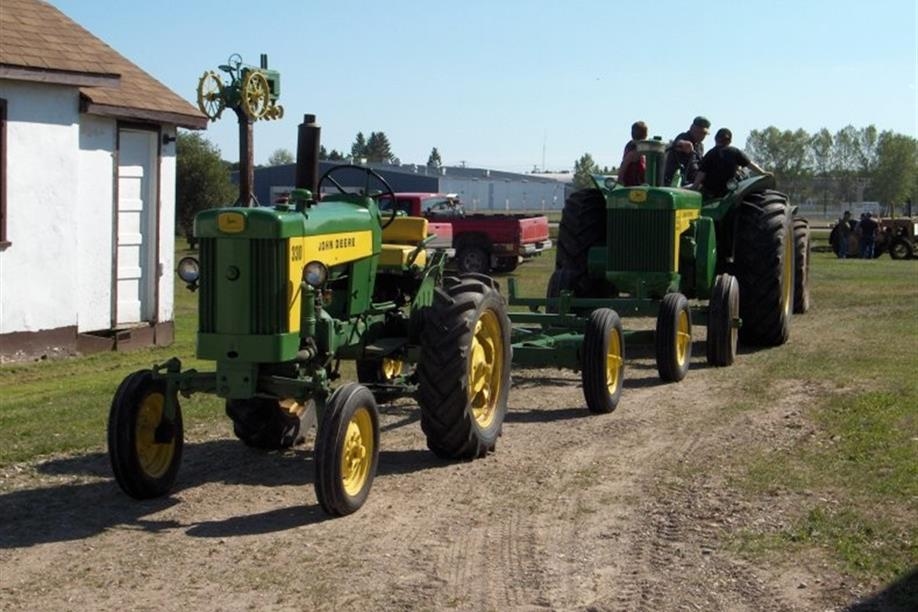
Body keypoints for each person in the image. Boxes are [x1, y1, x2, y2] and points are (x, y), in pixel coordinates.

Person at [690, 128, 766, 197]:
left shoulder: (710, 153)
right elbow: (750, 164)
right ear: (730, 141)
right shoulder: (735, 152)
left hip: (710, 191)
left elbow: (701, 174)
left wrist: (694, 187)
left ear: (715, 139)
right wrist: (763, 173)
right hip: (729, 190)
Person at [663, 116, 710, 186]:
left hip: (692, 181)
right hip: (675, 181)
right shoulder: (684, 137)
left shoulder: (700, 146)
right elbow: (677, 143)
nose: (701, 136)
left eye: (703, 133)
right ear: (691, 128)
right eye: (698, 132)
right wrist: (683, 144)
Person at [619, 121, 648, 186]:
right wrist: (620, 179)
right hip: (634, 184)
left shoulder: (632, 145)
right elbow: (624, 164)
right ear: (645, 135)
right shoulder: (634, 149)